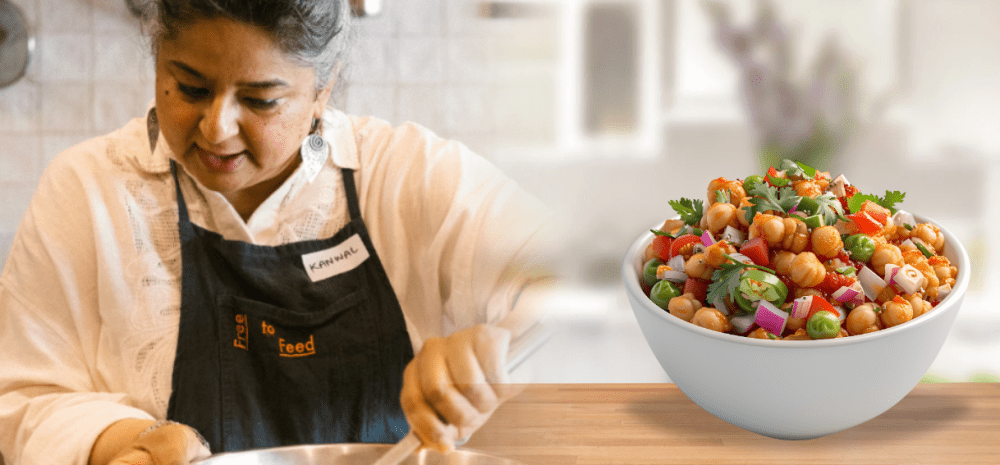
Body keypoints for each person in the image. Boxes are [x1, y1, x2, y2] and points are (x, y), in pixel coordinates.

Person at [0, 1, 553, 464]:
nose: (217, 128)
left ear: (323, 89)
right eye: (189, 87)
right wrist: (131, 441)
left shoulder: (408, 175)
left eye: (261, 100)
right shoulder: (87, 189)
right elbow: (22, 399)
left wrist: (497, 346)